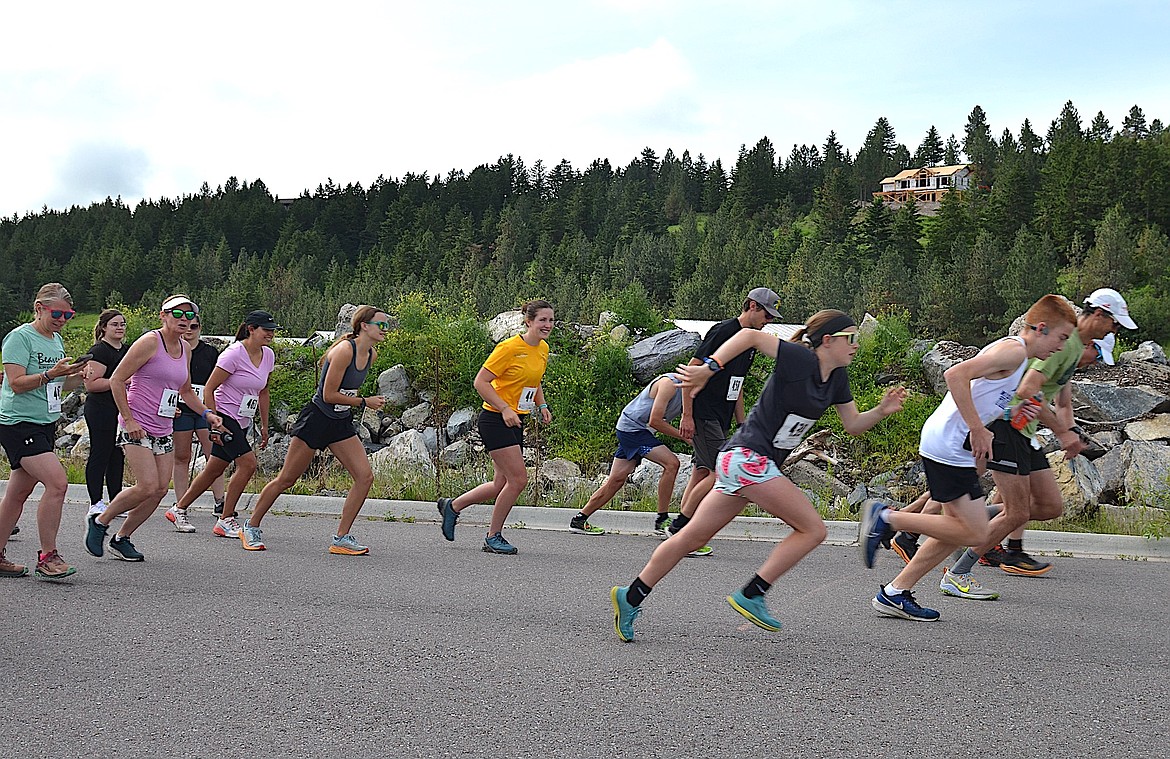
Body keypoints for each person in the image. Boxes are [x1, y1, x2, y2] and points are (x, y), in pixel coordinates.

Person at [610, 310, 908, 641]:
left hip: (746, 463)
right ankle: (754, 592)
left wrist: (880, 411)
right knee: (812, 529)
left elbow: (852, 425)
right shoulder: (800, 359)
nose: (855, 345)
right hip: (748, 458)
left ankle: (631, 595)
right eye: (850, 338)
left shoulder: (836, 377)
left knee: (690, 538)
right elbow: (748, 336)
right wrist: (709, 369)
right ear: (828, 340)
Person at [861, 295, 1075, 621]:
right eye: (1061, 338)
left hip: (953, 447)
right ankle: (887, 519)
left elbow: (992, 399)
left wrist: (997, 434)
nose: (1061, 347)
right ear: (1042, 328)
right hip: (948, 444)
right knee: (973, 532)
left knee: (956, 530)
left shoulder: (1020, 360)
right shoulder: (1014, 350)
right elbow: (955, 375)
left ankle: (895, 592)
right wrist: (977, 429)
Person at [946, 288, 1136, 586]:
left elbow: (1062, 398)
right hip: (1008, 424)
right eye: (1115, 324)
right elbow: (1027, 389)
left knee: (1050, 506)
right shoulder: (1067, 342)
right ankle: (960, 566)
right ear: (1099, 315)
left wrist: (1070, 432)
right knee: (1016, 511)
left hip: (1026, 429)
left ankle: (976, 526)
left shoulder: (1075, 345)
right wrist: (1061, 432)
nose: (1115, 330)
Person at [84, 295, 225, 562]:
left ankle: (122, 538)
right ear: (163, 315)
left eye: (190, 315)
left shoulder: (185, 349)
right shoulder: (150, 342)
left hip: (163, 424)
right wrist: (129, 419)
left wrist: (208, 413)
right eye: (178, 314)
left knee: (160, 489)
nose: (185, 320)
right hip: (136, 423)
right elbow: (116, 380)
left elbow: (184, 390)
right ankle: (100, 522)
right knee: (147, 485)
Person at [239, 306, 388, 554]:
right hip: (317, 419)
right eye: (381, 325)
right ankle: (250, 526)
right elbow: (329, 395)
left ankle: (341, 538)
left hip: (340, 421)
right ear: (364, 325)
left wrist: (357, 402)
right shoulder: (343, 352)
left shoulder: (370, 354)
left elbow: (346, 391)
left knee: (365, 477)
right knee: (287, 479)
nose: (386, 330)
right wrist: (365, 402)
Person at [437, 300, 554, 555]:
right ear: (529, 321)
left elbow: (535, 381)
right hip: (495, 419)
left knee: (500, 483)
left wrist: (542, 405)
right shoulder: (509, 348)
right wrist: (504, 408)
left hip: (516, 419)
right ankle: (493, 536)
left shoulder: (542, 348)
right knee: (518, 480)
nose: (547, 325)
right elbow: (481, 382)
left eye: (551, 320)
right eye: (542, 320)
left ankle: (452, 506)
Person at [668, 287, 779, 555]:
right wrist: (687, 414)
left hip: (721, 416)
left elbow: (736, 385)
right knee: (720, 472)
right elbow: (690, 371)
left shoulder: (751, 342)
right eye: (767, 314)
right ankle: (681, 530)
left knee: (701, 472)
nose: (769, 321)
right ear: (752, 306)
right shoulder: (723, 331)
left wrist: (742, 425)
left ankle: (682, 531)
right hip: (704, 413)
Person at [0, 283, 91, 579]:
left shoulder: (56, 341)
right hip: (18, 422)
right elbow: (16, 382)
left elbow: (56, 386)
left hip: (44, 421)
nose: (62, 320)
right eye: (57, 314)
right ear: (39, 308)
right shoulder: (19, 338)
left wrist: (77, 377)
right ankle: (48, 556)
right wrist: (52, 373)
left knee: (18, 493)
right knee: (58, 483)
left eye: (68, 315)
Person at [167, 311, 277, 539]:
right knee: (248, 465)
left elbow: (263, 390)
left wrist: (264, 425)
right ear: (251, 329)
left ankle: (178, 508)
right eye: (266, 329)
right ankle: (226, 518)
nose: (270, 334)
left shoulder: (268, 355)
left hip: (244, 418)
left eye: (272, 330)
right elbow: (209, 388)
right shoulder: (234, 354)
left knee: (214, 469)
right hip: (225, 417)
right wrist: (214, 423)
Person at [567, 373, 689, 537]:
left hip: (636, 429)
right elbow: (655, 421)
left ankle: (579, 520)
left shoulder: (691, 392)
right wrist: (685, 437)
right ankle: (662, 519)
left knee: (617, 479)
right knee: (672, 464)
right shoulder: (669, 385)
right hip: (633, 429)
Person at [166, 316, 225, 532]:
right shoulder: (174, 350)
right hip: (180, 410)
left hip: (203, 410)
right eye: (187, 326)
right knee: (182, 457)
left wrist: (213, 410)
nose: (189, 330)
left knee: (215, 456)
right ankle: (182, 502)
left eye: (194, 326)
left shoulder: (209, 352)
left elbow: (217, 382)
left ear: (200, 328)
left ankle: (220, 501)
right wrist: (170, 405)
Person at [83, 309, 129, 518]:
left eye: (122, 324)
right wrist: (120, 382)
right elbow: (91, 384)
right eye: (115, 324)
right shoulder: (100, 351)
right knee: (100, 453)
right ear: (103, 327)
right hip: (100, 409)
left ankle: (115, 500)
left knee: (117, 455)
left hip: (120, 408)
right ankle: (95, 501)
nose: (120, 328)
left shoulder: (128, 350)